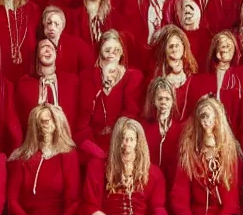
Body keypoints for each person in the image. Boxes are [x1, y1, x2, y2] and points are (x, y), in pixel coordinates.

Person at [79, 117, 169, 215]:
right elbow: (90, 209)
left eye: (130, 139)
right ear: (115, 141)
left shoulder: (153, 173)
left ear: (138, 142)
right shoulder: (98, 167)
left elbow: (158, 210)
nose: (126, 143)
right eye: (122, 139)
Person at [76, 31, 143, 160]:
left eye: (116, 50)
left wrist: (116, 147)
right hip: (93, 140)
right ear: (100, 51)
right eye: (107, 50)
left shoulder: (133, 77)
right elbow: (83, 119)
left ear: (122, 52)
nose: (111, 54)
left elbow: (130, 115)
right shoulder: (87, 76)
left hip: (121, 140)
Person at [15, 38, 79, 133]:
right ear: (36, 55)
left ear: (56, 55)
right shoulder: (25, 84)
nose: (47, 50)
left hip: (65, 140)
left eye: (51, 48)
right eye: (44, 47)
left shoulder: (71, 81)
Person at [151, 25, 213, 122]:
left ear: (184, 49)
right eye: (171, 46)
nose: (174, 49)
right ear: (165, 51)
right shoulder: (157, 83)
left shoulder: (195, 81)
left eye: (177, 45)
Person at [139, 77, 182, 184]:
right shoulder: (144, 127)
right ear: (154, 101)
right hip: (150, 181)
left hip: (173, 182)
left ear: (173, 101)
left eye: (167, 99)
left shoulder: (180, 130)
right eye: (160, 99)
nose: (163, 102)